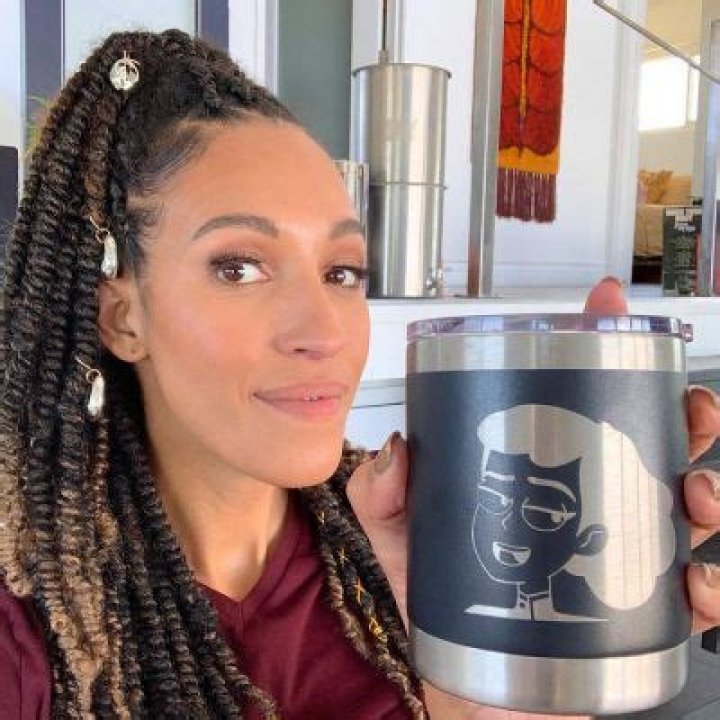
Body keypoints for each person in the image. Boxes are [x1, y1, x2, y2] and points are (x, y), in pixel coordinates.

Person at [0, 29, 718, 720]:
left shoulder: (424, 553)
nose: (325, 333)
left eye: (341, 271)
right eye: (240, 267)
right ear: (121, 316)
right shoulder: (30, 627)